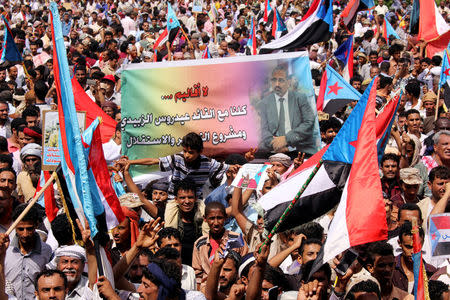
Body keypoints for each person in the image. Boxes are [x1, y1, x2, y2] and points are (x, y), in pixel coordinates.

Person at [125, 132, 237, 199]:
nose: (187, 155)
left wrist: (241, 166)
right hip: (174, 199)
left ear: (200, 152)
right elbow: (152, 161)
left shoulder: (208, 163)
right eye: (185, 151)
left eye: (191, 152)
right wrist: (131, 162)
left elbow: (229, 167)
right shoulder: (177, 158)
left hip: (195, 201)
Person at [258, 66, 316, 155]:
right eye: (274, 80)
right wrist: (276, 144)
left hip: (298, 147)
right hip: (273, 149)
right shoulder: (264, 103)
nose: (277, 84)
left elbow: (309, 122)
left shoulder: (300, 98)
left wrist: (286, 139)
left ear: (288, 82)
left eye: (281, 80)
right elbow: (263, 129)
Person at [192, 201, 248, 289]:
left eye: (219, 218)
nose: (216, 223)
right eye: (212, 218)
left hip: (232, 288)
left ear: (225, 218)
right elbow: (198, 274)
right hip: (208, 288)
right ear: (205, 219)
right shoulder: (200, 243)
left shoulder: (237, 239)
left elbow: (245, 267)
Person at [5, 204, 53, 299]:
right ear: (14, 226)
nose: (25, 234)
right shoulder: (6, 250)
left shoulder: (46, 251)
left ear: (36, 225)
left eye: (29, 229)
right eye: (21, 229)